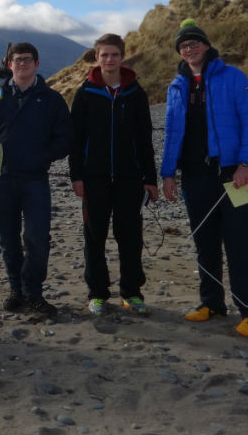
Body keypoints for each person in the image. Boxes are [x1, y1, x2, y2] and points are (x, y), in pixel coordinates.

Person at [161, 19, 248, 338]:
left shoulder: (233, 77)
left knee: (242, 245)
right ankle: (212, 303)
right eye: (183, 45)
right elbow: (170, 133)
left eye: (194, 42)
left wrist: (246, 164)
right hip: (195, 176)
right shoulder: (176, 85)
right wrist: (168, 174)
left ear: (206, 45)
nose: (189, 48)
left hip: (235, 173)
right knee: (204, 242)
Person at [0, 42, 72, 318]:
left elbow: (65, 138)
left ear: (37, 64)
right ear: (10, 64)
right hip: (0, 177)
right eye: (17, 60)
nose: (22, 64)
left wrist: (44, 156)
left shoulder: (51, 99)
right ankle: (16, 290)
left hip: (35, 179)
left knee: (37, 237)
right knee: (8, 238)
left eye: (27, 60)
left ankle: (34, 293)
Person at [68, 34, 157, 317]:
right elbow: (76, 138)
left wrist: (150, 178)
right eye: (104, 55)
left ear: (122, 57)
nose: (109, 60)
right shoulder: (85, 93)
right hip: (94, 178)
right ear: (97, 58)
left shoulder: (136, 93)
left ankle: (131, 293)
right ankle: (97, 294)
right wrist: (76, 176)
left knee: (130, 236)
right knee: (94, 236)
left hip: (130, 178)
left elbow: (145, 139)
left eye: (114, 55)